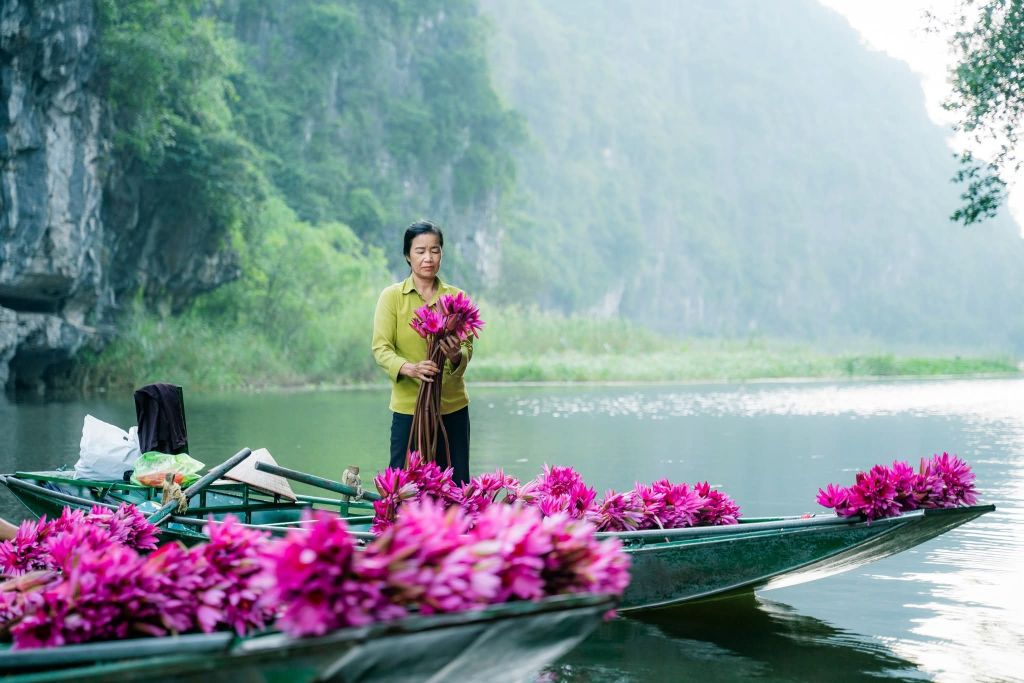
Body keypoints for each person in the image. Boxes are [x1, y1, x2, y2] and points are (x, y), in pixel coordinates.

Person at [371, 220, 473, 484]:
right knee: (403, 485)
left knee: (456, 485)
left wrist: (454, 357)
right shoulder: (392, 297)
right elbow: (381, 348)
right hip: (408, 410)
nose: (428, 258)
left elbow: (467, 349)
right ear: (408, 255)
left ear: (441, 253)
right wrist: (410, 368)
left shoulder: (456, 298)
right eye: (420, 251)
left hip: (452, 409)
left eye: (435, 250)